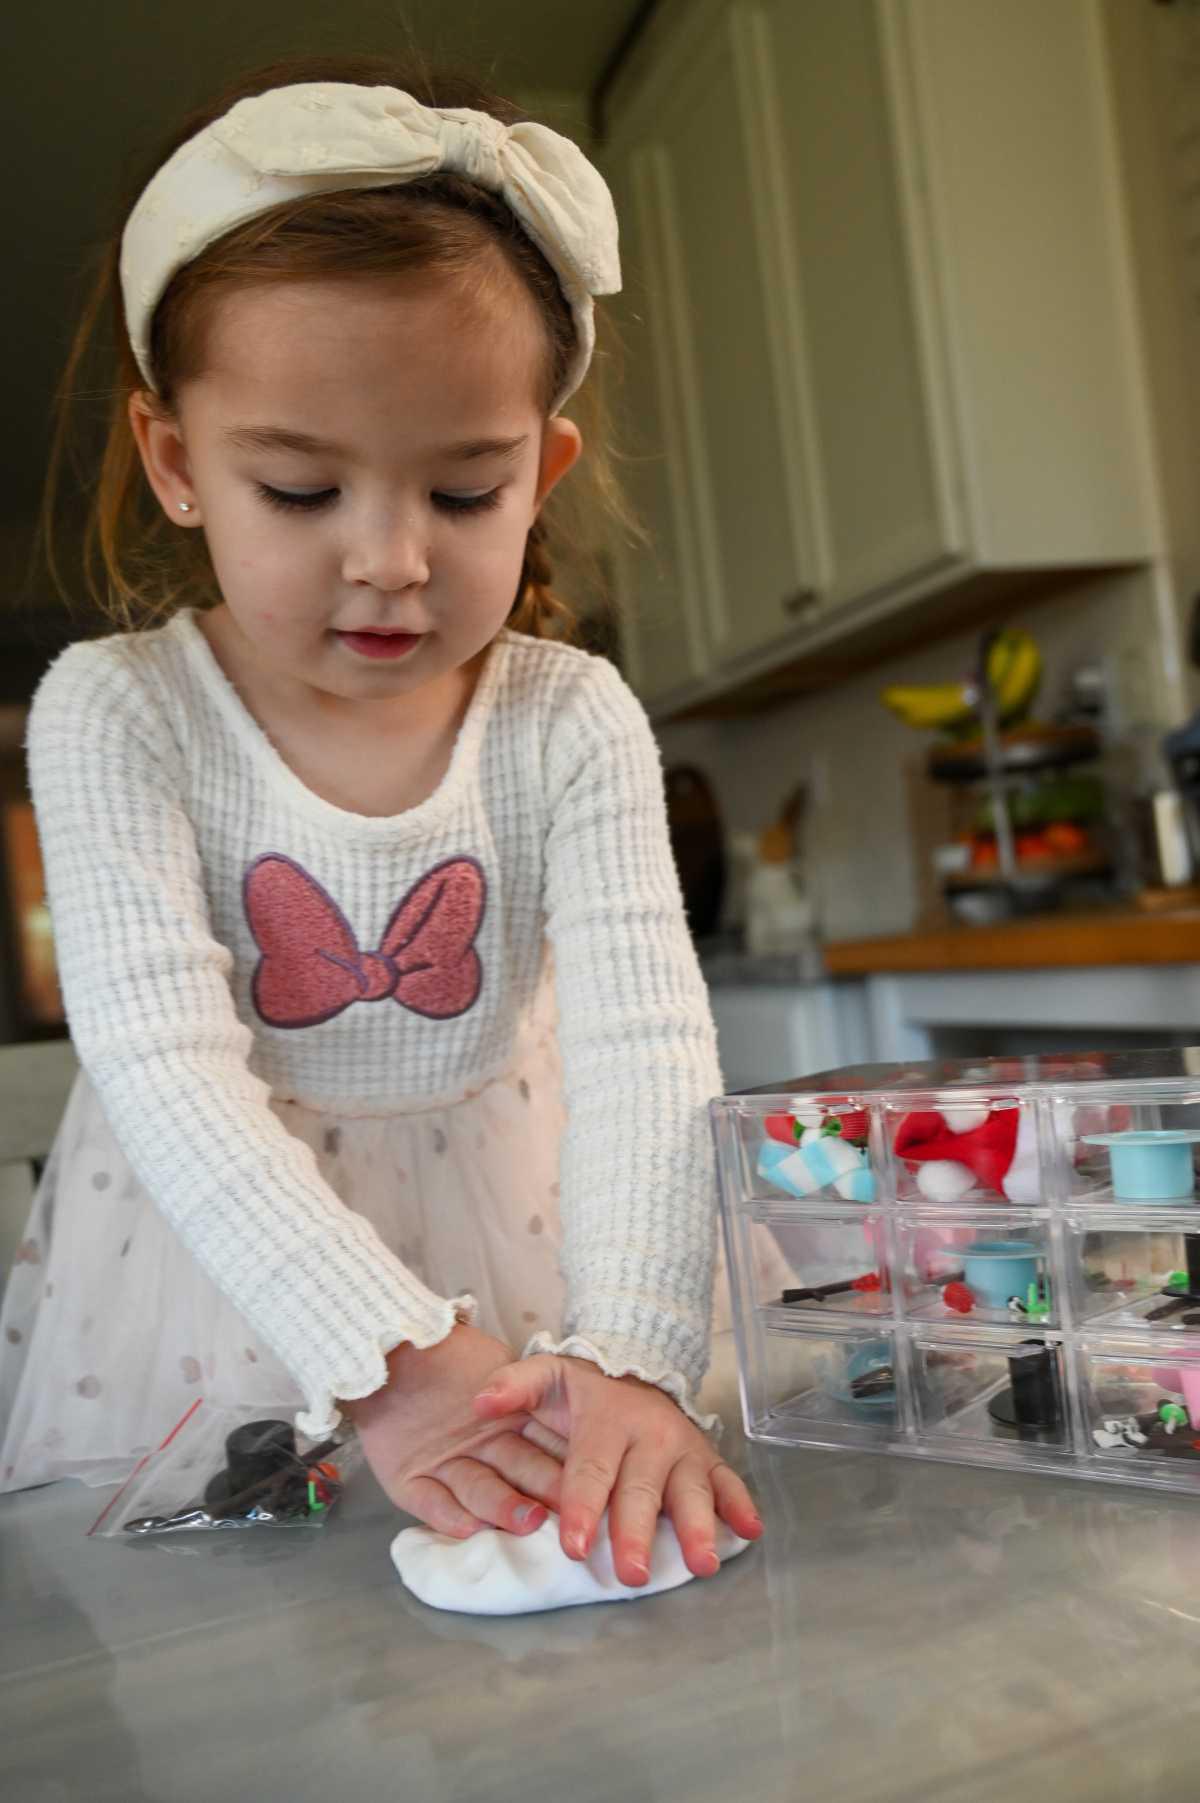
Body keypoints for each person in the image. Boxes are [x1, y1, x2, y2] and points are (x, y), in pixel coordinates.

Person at [0, 54, 762, 1585]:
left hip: (541, 1237)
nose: (391, 562)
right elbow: (160, 1063)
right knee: (237, 1644)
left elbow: (647, 1049)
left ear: (541, 472)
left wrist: (628, 1345)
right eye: (298, 489)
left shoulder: (569, 716)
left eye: (465, 494)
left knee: (561, 1608)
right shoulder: (119, 710)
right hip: (223, 1269)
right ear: (177, 464)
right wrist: (387, 1357)